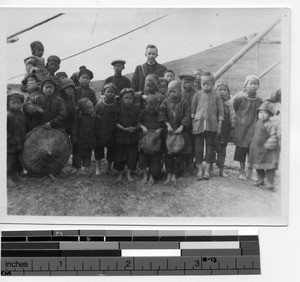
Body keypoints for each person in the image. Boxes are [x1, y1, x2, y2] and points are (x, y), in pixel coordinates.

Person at [191, 72, 224, 180]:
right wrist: (193, 124)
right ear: (200, 83)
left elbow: (220, 113)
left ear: (213, 83)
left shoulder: (216, 96)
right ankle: (200, 169)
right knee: (198, 149)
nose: (206, 86)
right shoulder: (197, 95)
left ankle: (207, 170)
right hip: (199, 126)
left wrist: (219, 127)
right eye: (203, 83)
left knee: (210, 149)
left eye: (208, 83)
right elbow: (192, 110)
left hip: (212, 126)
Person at [159, 80, 192, 184]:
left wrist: (182, 127)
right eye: (169, 92)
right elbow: (162, 114)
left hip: (180, 133)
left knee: (179, 154)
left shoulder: (185, 102)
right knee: (168, 154)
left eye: (174, 91)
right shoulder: (165, 102)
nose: (171, 94)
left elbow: (187, 116)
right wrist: (167, 125)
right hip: (169, 133)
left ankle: (174, 175)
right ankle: (168, 174)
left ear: (180, 90)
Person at [233, 74, 263, 181]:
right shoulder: (240, 98)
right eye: (251, 83)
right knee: (241, 150)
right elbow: (235, 107)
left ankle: (250, 171)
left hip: (253, 129)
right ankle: (242, 172)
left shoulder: (259, 101)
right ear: (246, 85)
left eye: (256, 84)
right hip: (241, 129)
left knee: (251, 150)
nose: (253, 86)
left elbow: (261, 113)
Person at [248, 102, 279, 190]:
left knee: (269, 167)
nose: (262, 115)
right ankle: (260, 179)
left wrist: (270, 143)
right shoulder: (257, 122)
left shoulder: (271, 124)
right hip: (257, 149)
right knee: (258, 165)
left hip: (267, 149)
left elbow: (273, 135)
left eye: (265, 113)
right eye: (260, 113)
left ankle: (270, 183)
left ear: (269, 115)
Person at [114, 88, 141, 182]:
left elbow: (139, 122)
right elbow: (115, 122)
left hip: (133, 137)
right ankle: (120, 173)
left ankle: (129, 173)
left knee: (132, 156)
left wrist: (135, 128)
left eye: (130, 98)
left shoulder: (137, 110)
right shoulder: (118, 110)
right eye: (126, 98)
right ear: (121, 99)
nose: (128, 100)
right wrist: (124, 128)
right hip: (121, 137)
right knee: (120, 155)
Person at [211, 81, 235, 177]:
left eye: (224, 90)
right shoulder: (213, 102)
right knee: (211, 148)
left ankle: (221, 170)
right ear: (215, 90)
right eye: (219, 89)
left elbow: (233, 116)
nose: (222, 92)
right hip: (213, 128)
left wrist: (233, 127)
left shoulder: (229, 104)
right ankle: (210, 168)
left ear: (228, 92)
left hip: (225, 129)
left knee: (222, 150)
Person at [95, 83, 119, 175]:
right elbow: (95, 117)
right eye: (108, 91)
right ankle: (98, 168)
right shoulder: (100, 104)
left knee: (111, 150)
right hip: (101, 131)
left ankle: (109, 167)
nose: (110, 94)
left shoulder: (116, 104)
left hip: (112, 131)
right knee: (99, 150)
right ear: (104, 92)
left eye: (112, 92)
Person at [139, 95, 163, 184]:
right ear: (145, 104)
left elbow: (163, 124)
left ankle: (152, 176)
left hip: (155, 139)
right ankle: (145, 175)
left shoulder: (159, 113)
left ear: (157, 105)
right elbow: (138, 122)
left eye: (153, 104)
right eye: (149, 104)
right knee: (143, 158)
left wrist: (159, 130)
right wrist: (142, 127)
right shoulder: (143, 113)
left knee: (155, 158)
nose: (151, 107)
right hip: (144, 138)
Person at [179, 72, 199, 173]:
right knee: (182, 144)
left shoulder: (197, 93)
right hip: (181, 123)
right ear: (181, 82)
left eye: (190, 82)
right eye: (185, 82)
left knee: (193, 144)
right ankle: (182, 166)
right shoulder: (178, 92)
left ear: (193, 83)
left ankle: (190, 165)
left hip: (193, 123)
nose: (187, 84)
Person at [7, 93, 27, 187]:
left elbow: (24, 126)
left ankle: (18, 173)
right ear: (8, 103)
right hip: (10, 142)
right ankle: (8, 177)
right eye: (13, 103)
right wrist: (8, 138)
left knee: (19, 158)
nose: (16, 105)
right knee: (10, 160)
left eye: (18, 103)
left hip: (20, 140)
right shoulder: (7, 115)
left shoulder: (22, 114)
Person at [71, 98, 97, 174]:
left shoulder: (94, 116)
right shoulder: (78, 117)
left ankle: (85, 168)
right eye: (89, 107)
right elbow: (74, 128)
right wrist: (75, 138)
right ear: (83, 109)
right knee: (77, 155)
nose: (92, 108)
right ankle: (78, 168)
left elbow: (96, 128)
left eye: (92, 106)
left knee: (87, 154)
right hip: (80, 140)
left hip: (90, 139)